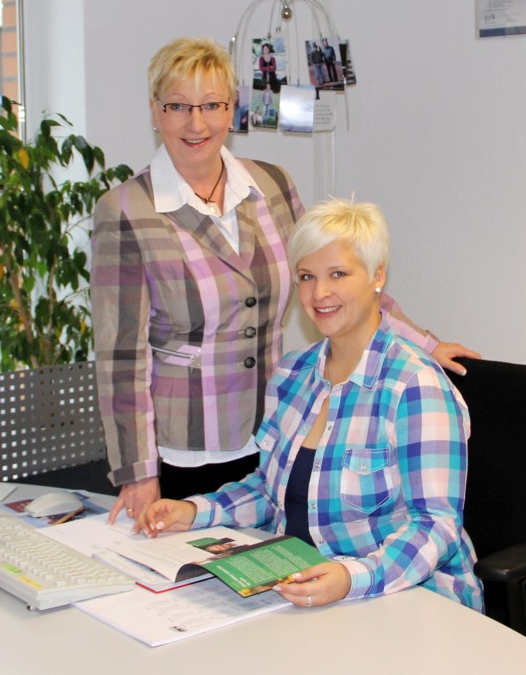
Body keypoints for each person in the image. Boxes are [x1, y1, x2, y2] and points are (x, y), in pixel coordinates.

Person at [91, 37, 480, 531]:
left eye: (212, 105)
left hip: (277, 428)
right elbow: (120, 353)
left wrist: (422, 342)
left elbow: (337, 273)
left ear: (232, 108)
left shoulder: (271, 184)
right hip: (184, 446)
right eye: (179, 106)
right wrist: (138, 471)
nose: (197, 123)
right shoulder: (126, 210)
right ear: (155, 111)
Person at [139, 199, 484, 612]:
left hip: (408, 598)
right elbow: (271, 494)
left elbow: (436, 527)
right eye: (307, 277)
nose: (319, 293)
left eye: (338, 274)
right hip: (308, 587)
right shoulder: (292, 375)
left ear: (377, 277)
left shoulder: (415, 385)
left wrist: (350, 578)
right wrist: (195, 511)